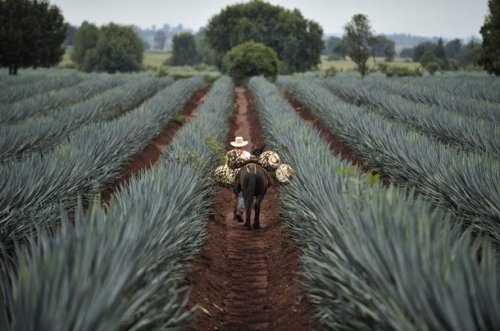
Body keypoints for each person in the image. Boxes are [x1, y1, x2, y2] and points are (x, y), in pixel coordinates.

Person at [230, 136, 253, 221]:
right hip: (245, 176)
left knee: (235, 195)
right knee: (242, 195)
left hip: (234, 176)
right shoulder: (247, 154)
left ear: (235, 146)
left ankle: (234, 214)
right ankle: (239, 212)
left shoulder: (231, 154)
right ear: (242, 146)